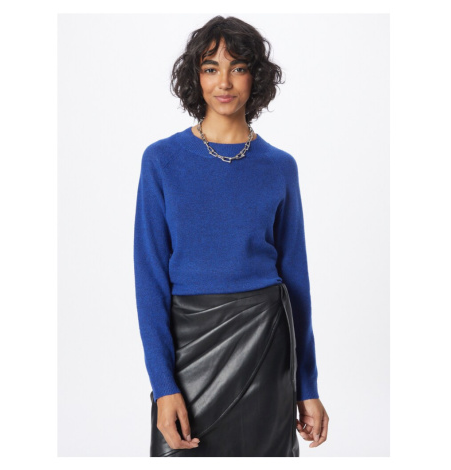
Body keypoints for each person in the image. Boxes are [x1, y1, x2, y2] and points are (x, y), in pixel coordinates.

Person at [133, 15, 329, 457]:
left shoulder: (280, 166)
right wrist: (163, 386)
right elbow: (149, 281)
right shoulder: (161, 160)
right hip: (189, 345)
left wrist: (308, 385)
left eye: (238, 67)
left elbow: (296, 281)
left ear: (255, 77)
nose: (224, 82)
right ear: (196, 77)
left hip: (265, 343)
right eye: (211, 68)